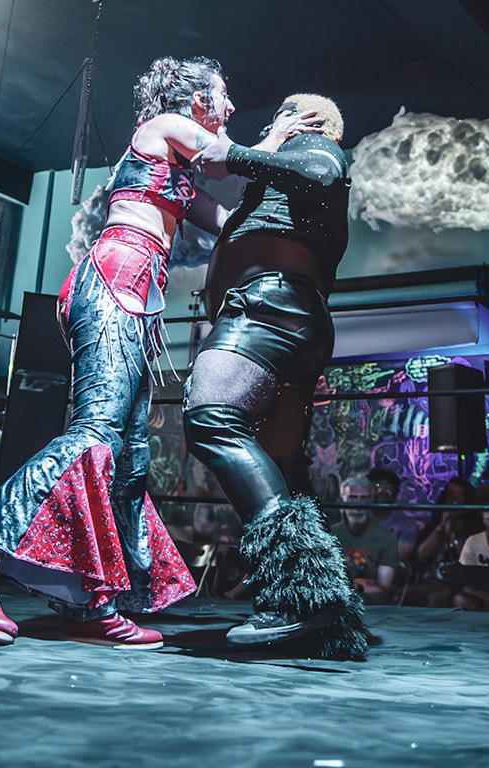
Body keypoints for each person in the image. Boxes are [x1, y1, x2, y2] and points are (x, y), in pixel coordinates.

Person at [0, 58, 237, 649]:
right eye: (223, 96)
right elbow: (227, 157)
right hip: (115, 280)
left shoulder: (177, 173)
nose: (230, 107)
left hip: (136, 295)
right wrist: (280, 142)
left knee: (129, 459)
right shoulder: (163, 127)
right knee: (94, 436)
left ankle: (90, 604)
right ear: (196, 99)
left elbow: (228, 219)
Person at [180, 93, 367, 657]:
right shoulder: (275, 190)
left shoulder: (315, 148)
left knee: (213, 418)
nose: (272, 124)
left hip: (267, 310)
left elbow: (323, 169)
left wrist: (239, 151)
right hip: (284, 313)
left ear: (303, 119)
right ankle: (310, 603)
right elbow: (220, 216)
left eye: (282, 115)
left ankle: (298, 595)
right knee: (278, 461)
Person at [405, 476, 478, 607]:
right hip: (430, 580)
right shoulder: (434, 527)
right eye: (450, 499)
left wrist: (454, 534)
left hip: (458, 584)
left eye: (457, 500)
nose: (453, 503)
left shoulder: (473, 531)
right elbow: (420, 557)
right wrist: (442, 527)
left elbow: (467, 561)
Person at [330, 476, 401, 604]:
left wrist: (349, 587)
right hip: (336, 608)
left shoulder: (387, 537)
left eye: (364, 499)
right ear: (341, 502)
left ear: (371, 503)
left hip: (373, 609)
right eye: (352, 499)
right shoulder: (329, 535)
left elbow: (383, 589)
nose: (358, 505)